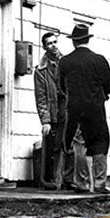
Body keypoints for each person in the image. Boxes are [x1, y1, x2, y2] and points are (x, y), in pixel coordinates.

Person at [58, 23, 110, 193]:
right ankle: (99, 183)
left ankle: (82, 183)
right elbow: (109, 84)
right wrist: (100, 96)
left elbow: (62, 86)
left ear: (74, 42)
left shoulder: (65, 62)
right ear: (87, 40)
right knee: (100, 142)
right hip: (96, 108)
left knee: (80, 145)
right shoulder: (99, 60)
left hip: (76, 109)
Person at [32, 30, 69, 190]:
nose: (53, 46)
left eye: (55, 42)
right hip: (54, 110)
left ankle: (68, 180)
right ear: (44, 47)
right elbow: (40, 97)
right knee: (53, 145)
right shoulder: (40, 70)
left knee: (69, 144)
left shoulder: (67, 62)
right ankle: (53, 180)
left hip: (68, 107)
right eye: (49, 43)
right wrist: (45, 121)